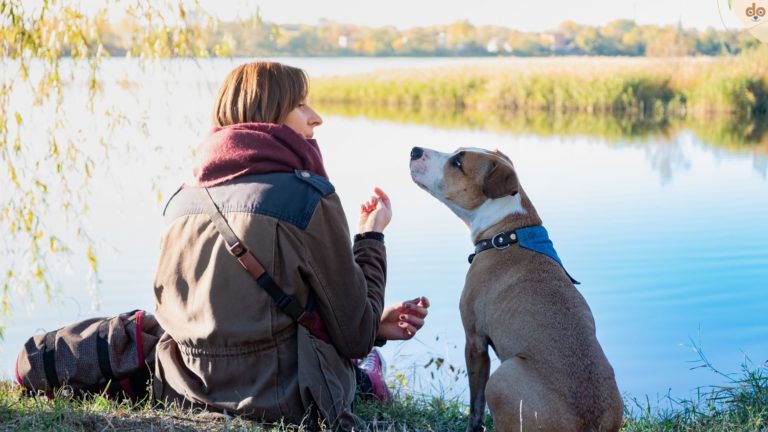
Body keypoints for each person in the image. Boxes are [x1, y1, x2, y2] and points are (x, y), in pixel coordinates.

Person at [151, 61, 430, 430]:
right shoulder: (306, 198)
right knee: (362, 360)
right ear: (267, 115)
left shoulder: (181, 201)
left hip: (184, 391)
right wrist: (370, 237)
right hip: (285, 402)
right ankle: (369, 380)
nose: (316, 118)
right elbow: (357, 336)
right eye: (300, 105)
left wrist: (376, 325)